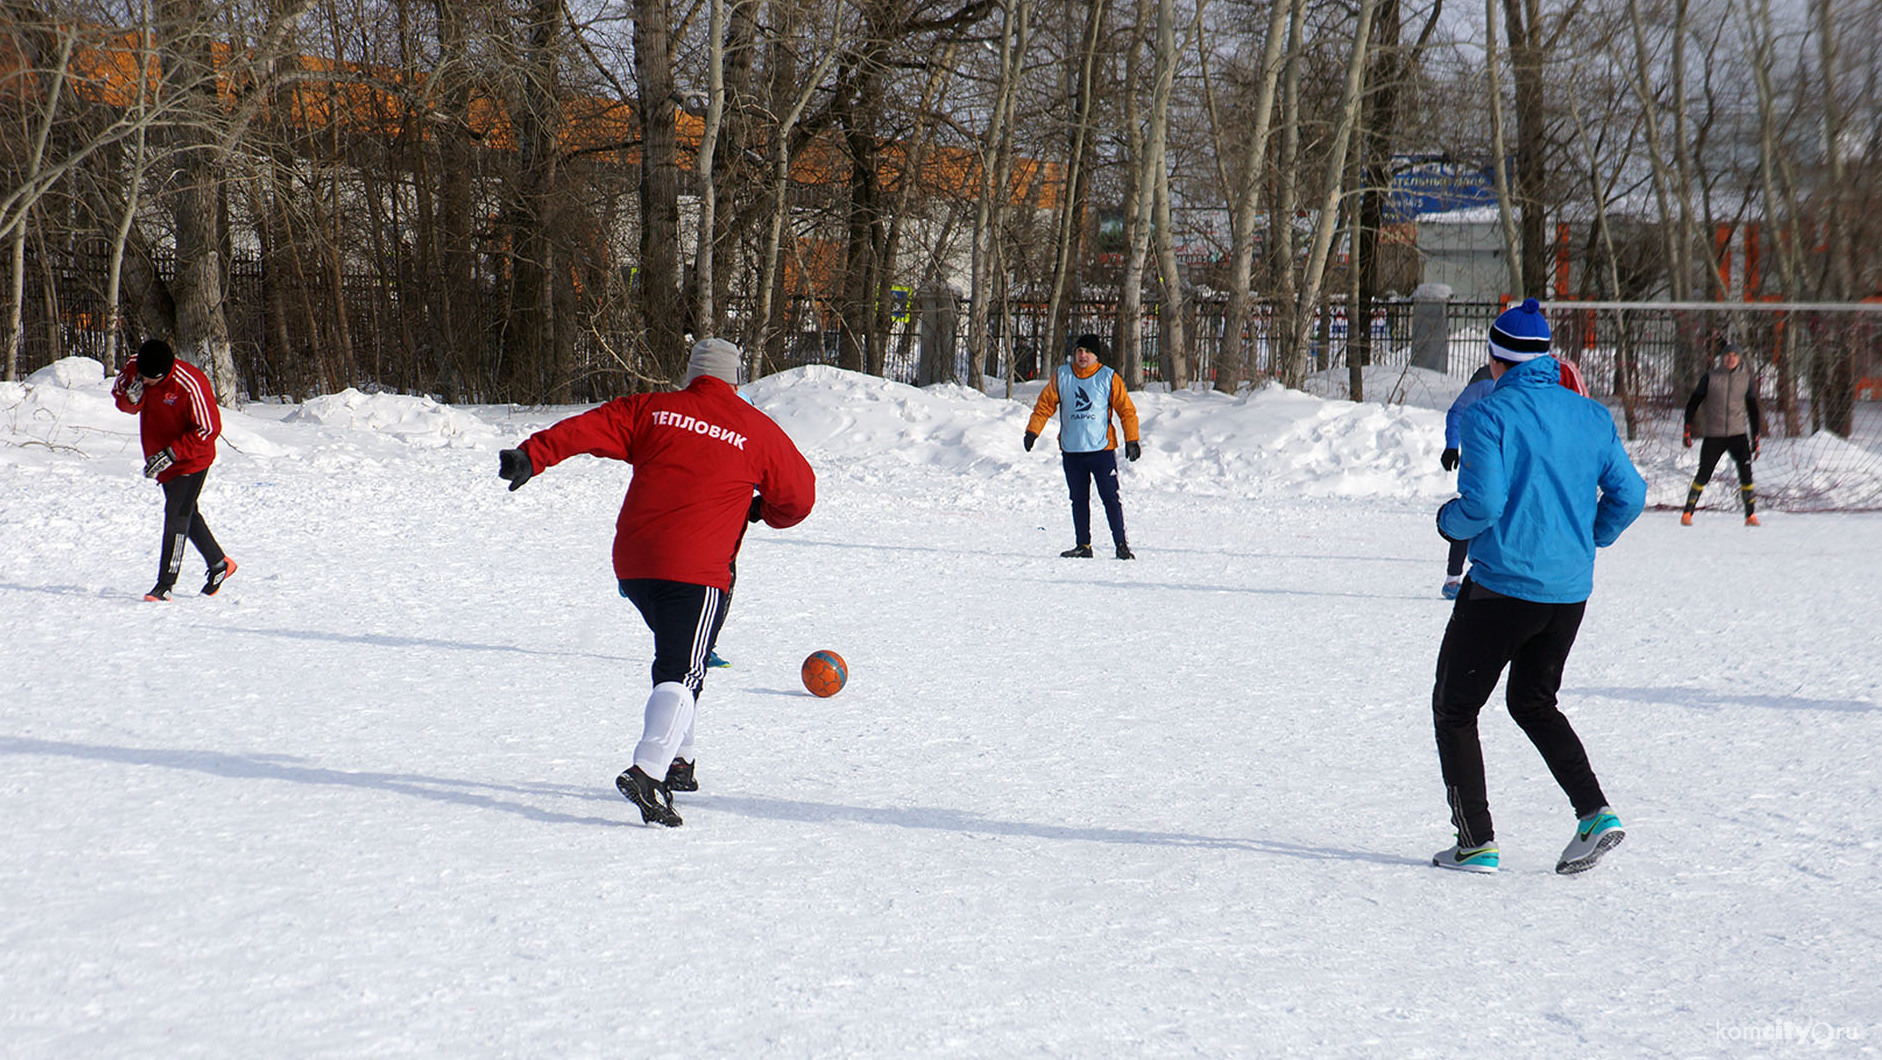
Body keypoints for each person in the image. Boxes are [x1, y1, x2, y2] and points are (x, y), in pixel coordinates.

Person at [497, 338, 815, 827]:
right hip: (696, 571)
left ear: (691, 373)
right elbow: (798, 498)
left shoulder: (653, 410)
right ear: (736, 377)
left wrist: (531, 456)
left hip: (635, 564)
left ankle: (680, 762)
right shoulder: (757, 430)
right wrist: (762, 510)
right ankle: (648, 771)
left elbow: (587, 428)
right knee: (682, 670)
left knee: (679, 655)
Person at [1430, 298, 1646, 875]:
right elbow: (1631, 496)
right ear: (1546, 357)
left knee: (1454, 708)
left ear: (1497, 360)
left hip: (1502, 590)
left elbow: (1485, 504)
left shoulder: (1488, 416)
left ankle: (1475, 843)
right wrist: (1588, 538)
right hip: (1568, 593)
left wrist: (1447, 521)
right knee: (1533, 701)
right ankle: (1595, 813)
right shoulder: (1591, 416)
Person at [111, 339, 235, 601]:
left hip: (192, 457)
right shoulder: (136, 367)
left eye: (150, 379)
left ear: (165, 373)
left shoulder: (191, 383)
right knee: (187, 513)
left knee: (176, 514)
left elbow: (209, 429)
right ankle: (219, 564)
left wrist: (173, 453)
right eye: (141, 377)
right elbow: (124, 404)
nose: (144, 382)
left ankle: (165, 584)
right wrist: (130, 399)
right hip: (160, 455)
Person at [1023, 333, 1142, 560]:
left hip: (1101, 450)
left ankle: (1121, 544)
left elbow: (1126, 410)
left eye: (1087, 352)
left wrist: (1132, 439)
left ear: (1096, 355)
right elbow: (1044, 405)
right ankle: (1083, 545)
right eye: (1079, 351)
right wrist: (1032, 431)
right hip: (1073, 450)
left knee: (1110, 497)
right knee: (1078, 498)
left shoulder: (1108, 377)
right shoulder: (1063, 375)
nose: (1082, 355)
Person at [1680, 339, 1763, 527]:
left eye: (1734, 356)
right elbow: (1693, 403)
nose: (1731, 359)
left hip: (1738, 435)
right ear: (1722, 358)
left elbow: (1753, 409)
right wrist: (1687, 429)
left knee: (1746, 473)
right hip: (1714, 435)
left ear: (1739, 359)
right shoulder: (1710, 377)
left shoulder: (1745, 380)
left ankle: (1750, 516)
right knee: (1704, 473)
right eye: (1727, 355)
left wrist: (1755, 437)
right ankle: (1687, 513)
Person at [1438, 364, 1496, 599]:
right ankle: (1453, 579)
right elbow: (1457, 411)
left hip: (1515, 461)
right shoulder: (1485, 380)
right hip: (1482, 459)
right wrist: (1452, 445)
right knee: (1473, 510)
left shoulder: (1535, 385)